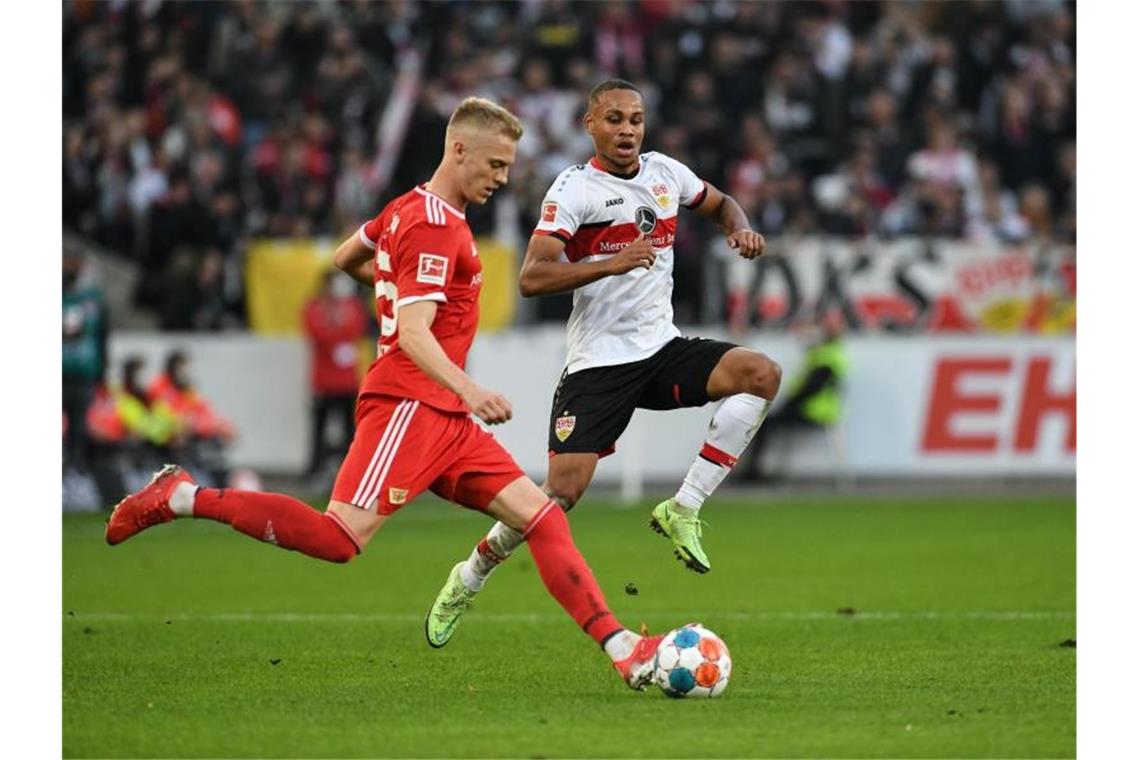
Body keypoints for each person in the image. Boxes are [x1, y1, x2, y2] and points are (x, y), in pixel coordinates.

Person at [106, 97, 668, 691]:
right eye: (496, 164)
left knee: (543, 518)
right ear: (458, 150)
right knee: (339, 539)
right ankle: (183, 496)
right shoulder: (434, 225)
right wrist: (470, 387)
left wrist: (402, 294)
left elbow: (350, 258)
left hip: (446, 419)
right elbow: (413, 333)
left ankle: (622, 647)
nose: (503, 179)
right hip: (410, 406)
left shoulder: (406, 208)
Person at [425, 79, 781, 648]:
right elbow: (532, 276)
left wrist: (738, 228)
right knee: (559, 495)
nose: (627, 130)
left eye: (636, 120)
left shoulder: (667, 173)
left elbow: (719, 204)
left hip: (661, 349)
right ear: (591, 125)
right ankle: (470, 575)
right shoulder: (574, 190)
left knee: (761, 374)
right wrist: (609, 264)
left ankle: (683, 507)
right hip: (598, 366)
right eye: (614, 119)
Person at [741, 315, 850, 482]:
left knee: (764, 423)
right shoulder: (830, 355)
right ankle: (754, 471)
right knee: (766, 422)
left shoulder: (826, 358)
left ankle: (753, 472)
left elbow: (809, 390)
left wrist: (787, 406)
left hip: (814, 411)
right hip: (816, 410)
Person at [301, 269, 368, 479]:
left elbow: (357, 328)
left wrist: (338, 327)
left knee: (351, 430)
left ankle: (352, 470)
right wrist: (337, 329)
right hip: (324, 381)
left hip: (348, 381)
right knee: (319, 429)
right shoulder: (315, 307)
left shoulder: (353, 306)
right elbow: (316, 334)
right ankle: (315, 470)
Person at [62, 251, 108, 470]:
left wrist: (102, 371)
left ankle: (76, 467)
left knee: (79, 425)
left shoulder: (93, 300)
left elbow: (102, 335)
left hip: (83, 372)